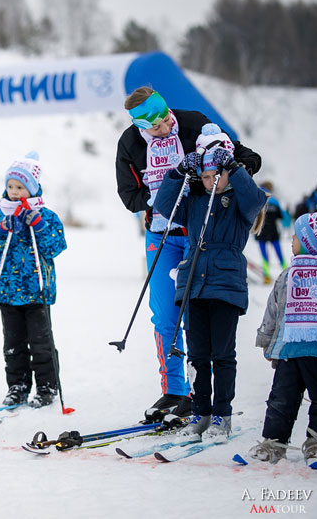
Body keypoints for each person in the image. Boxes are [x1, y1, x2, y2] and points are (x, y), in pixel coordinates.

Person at [115, 87, 261, 419]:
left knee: (197, 317)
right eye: (156, 128)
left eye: (166, 120)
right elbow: (128, 194)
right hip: (163, 235)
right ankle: (174, 391)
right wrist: (156, 200)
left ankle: (200, 395)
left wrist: (228, 170)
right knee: (166, 314)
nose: (166, 128)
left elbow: (247, 157)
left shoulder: (193, 122)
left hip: (201, 235)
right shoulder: (130, 144)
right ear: (141, 127)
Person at [154, 123, 267, 441]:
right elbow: (164, 206)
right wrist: (178, 172)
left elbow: (256, 199)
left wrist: (233, 166)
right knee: (198, 355)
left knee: (222, 354)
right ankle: (201, 412)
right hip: (193, 285)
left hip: (225, 286)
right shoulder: (193, 201)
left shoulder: (241, 204)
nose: (211, 182)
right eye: (205, 176)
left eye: (217, 175)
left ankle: (222, 415)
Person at [0, 152, 67, 408]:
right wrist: (3, 229)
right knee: (13, 344)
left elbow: (56, 246)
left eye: (20, 187)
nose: (14, 192)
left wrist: (38, 225)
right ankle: (17, 386)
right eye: (11, 186)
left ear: (32, 189)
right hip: (7, 291)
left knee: (41, 343)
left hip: (36, 290)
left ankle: (47, 386)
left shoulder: (46, 215)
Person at [249, 212, 317, 464]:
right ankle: (273, 442)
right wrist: (267, 340)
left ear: (312, 241)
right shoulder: (289, 275)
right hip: (289, 351)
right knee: (281, 397)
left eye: (297, 237)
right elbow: (274, 310)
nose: (291, 241)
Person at [255, 181, 291, 284]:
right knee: (279, 254)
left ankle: (266, 277)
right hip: (273, 232)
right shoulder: (275, 201)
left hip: (261, 231)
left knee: (264, 256)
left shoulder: (258, 199)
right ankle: (288, 275)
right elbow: (281, 217)